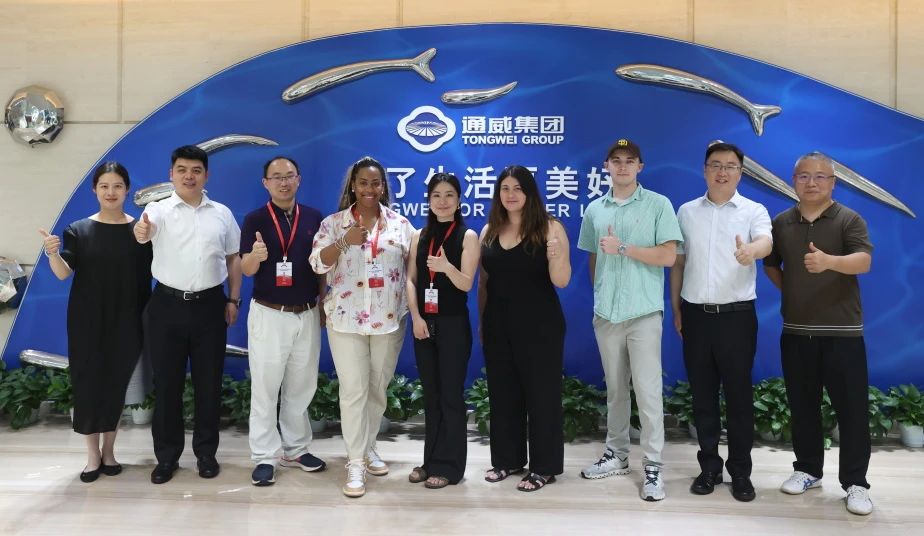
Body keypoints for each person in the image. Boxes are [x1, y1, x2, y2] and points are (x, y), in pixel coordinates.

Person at [763, 151, 874, 515]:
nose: (811, 183)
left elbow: (864, 261)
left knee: (852, 410)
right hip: (796, 331)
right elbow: (771, 265)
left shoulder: (848, 219)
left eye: (820, 176)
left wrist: (829, 262)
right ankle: (808, 469)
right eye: (804, 176)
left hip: (843, 332)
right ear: (794, 181)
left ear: (833, 182)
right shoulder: (781, 222)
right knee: (802, 406)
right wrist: (793, 291)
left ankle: (856, 483)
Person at [577, 138, 682, 502]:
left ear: (640, 166)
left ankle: (652, 466)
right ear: (606, 166)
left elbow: (668, 256)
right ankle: (616, 454)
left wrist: (624, 248)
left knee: (648, 392)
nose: (622, 166)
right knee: (616, 390)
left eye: (629, 160)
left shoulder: (658, 204)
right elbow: (594, 259)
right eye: (616, 160)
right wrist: (601, 296)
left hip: (643, 313)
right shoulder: (595, 209)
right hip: (607, 313)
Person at [669, 142, 772, 502]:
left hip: (737, 318)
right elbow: (679, 263)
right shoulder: (686, 211)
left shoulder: (753, 210)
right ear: (705, 170)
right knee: (703, 396)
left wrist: (751, 251)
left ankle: (740, 472)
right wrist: (677, 308)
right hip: (695, 316)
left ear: (740, 173)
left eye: (730, 166)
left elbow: (765, 242)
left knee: (739, 397)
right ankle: (709, 467)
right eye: (715, 165)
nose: (722, 172)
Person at [134, 145, 242, 484]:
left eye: (196, 170)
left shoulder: (222, 213)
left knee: (209, 384)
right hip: (166, 307)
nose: (188, 176)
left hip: (211, 306)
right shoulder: (158, 210)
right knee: (168, 385)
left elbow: (233, 258)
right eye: (181, 170)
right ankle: (167, 458)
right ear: (171, 174)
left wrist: (233, 299)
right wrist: (142, 232)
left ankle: (206, 454)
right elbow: (144, 232)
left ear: (206, 175)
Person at [40, 161, 152, 483]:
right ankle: (92, 456)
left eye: (117, 186)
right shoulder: (78, 230)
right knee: (89, 386)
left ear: (127, 190)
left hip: (127, 320)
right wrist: (52, 254)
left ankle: (109, 452)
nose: (111, 192)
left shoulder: (141, 231)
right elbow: (64, 273)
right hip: (87, 321)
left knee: (116, 385)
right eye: (104, 186)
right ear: (95, 190)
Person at [309, 156, 413, 498]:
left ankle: (368, 448)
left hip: (388, 321)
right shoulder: (333, 223)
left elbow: (412, 272)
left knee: (377, 390)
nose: (370, 188)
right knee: (353, 391)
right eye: (363, 183)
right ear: (353, 186)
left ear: (383, 187)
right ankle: (355, 462)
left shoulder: (400, 225)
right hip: (345, 319)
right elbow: (317, 264)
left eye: (375, 183)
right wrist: (344, 241)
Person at [478, 165, 571, 493]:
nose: (511, 194)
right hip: (498, 324)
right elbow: (484, 283)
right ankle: (508, 460)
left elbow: (562, 280)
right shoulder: (489, 230)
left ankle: (544, 467)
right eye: (505, 188)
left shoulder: (549, 227)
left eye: (518, 188)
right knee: (503, 394)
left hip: (540, 326)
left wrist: (555, 256)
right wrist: (483, 322)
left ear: (529, 192)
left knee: (542, 396)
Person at [239, 156, 326, 487]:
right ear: (266, 183)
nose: (284, 182)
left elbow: (320, 267)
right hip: (269, 313)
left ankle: (296, 449)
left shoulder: (314, 217)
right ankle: (265, 456)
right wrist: (255, 256)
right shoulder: (255, 219)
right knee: (265, 387)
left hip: (306, 311)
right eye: (276, 177)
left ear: (298, 179)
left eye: (289, 176)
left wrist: (322, 302)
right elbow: (246, 269)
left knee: (301, 385)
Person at [405, 173, 480, 489]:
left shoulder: (467, 236)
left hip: (452, 325)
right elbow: (411, 280)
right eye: (436, 195)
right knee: (432, 395)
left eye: (449, 195)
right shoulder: (419, 235)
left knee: (450, 395)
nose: (443, 201)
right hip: (424, 323)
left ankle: (451, 467)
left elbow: (466, 284)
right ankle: (430, 461)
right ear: (429, 200)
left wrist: (447, 267)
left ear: (459, 200)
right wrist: (416, 317)